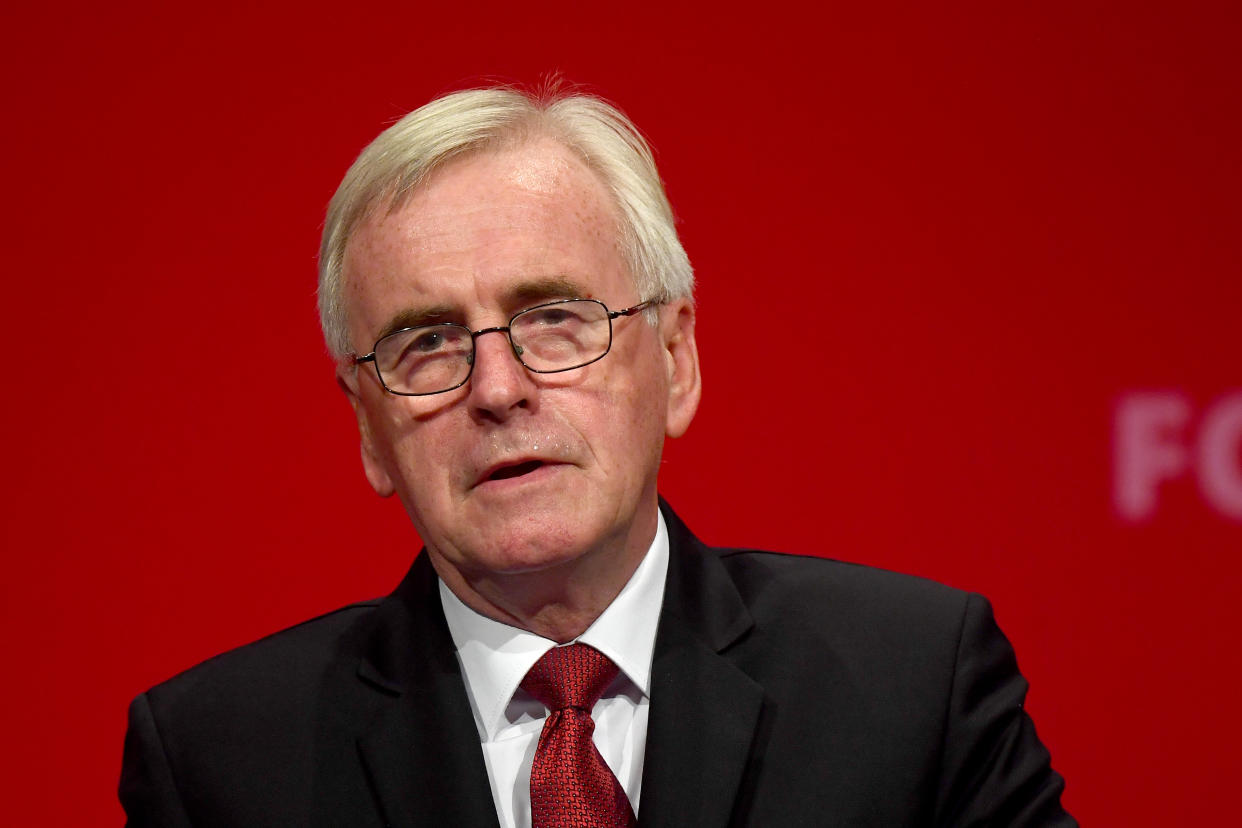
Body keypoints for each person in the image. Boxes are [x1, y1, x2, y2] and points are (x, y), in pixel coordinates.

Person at [119, 83, 1075, 827]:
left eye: (555, 319)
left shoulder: (912, 687)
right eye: (427, 344)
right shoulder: (220, 760)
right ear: (368, 428)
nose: (496, 389)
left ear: (675, 359)